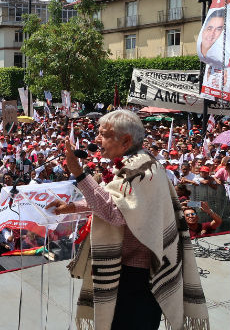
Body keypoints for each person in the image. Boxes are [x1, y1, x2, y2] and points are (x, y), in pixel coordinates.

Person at [46, 110, 208, 329]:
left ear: (125, 140)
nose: (97, 140)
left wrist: (78, 172)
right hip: (132, 273)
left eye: (104, 134)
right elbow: (115, 200)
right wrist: (72, 206)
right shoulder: (138, 164)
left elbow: (114, 212)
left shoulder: (141, 171)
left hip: (138, 277)